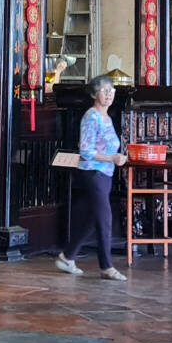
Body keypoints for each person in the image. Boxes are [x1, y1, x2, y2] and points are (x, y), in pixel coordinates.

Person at [56, 74, 129, 281]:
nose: (109, 95)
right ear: (94, 94)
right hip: (93, 172)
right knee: (105, 218)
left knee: (92, 218)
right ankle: (106, 266)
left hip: (105, 173)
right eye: (104, 91)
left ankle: (67, 256)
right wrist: (111, 158)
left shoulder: (107, 117)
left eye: (111, 91)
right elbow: (86, 151)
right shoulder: (91, 116)